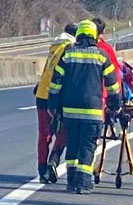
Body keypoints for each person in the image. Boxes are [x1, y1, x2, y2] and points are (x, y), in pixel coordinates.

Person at [48, 19, 121, 194]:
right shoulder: (102, 55)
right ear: (95, 36)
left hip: (70, 111)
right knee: (88, 146)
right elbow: (112, 85)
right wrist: (114, 105)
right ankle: (83, 183)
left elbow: (55, 83)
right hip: (92, 111)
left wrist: (54, 106)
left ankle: (72, 181)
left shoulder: (68, 54)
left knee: (73, 144)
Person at [33, 24, 77, 183]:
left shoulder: (54, 46)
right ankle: (54, 159)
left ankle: (42, 169)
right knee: (63, 132)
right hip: (58, 96)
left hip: (42, 94)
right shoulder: (69, 48)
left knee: (44, 135)